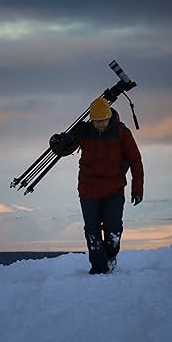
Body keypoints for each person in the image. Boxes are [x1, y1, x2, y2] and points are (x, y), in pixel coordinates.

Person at [51, 97, 144, 274]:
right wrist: (57, 143)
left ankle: (110, 256)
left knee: (113, 231)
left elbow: (135, 161)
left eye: (103, 121)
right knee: (92, 232)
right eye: (97, 121)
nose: (101, 125)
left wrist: (137, 189)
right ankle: (98, 267)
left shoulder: (122, 132)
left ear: (110, 117)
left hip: (114, 190)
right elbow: (65, 150)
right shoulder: (84, 131)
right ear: (91, 120)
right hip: (88, 190)